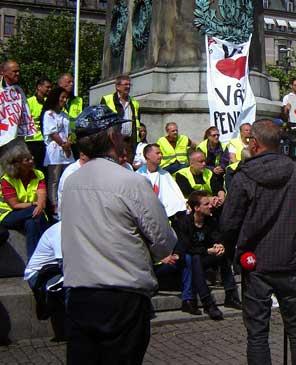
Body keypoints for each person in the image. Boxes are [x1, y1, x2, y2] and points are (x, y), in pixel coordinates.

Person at [61, 105, 176, 364]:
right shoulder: (130, 182)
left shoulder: (71, 182)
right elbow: (164, 241)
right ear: (112, 137)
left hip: (79, 293)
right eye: (122, 134)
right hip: (121, 297)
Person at [219, 119, 296, 365]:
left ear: (254, 143)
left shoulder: (244, 176)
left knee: (257, 332)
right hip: (289, 258)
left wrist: (231, 249)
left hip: (257, 261)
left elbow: (228, 223)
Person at [174, 191, 241, 320]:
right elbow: (186, 247)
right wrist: (207, 250)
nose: (210, 206)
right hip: (190, 260)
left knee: (223, 254)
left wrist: (219, 245)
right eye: (206, 204)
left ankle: (231, 295)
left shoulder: (210, 220)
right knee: (195, 258)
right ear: (196, 208)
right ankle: (208, 303)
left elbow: (217, 235)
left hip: (205, 257)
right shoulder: (183, 222)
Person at [0, 141, 49, 257]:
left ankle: (33, 262)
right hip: (9, 214)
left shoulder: (38, 174)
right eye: (27, 160)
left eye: (31, 158)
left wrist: (39, 205)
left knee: (31, 223)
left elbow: (42, 199)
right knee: (36, 215)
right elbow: (14, 205)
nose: (32, 161)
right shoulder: (7, 179)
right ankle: (47, 253)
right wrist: (34, 204)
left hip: (32, 212)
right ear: (17, 164)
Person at [40, 87, 75, 216]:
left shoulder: (65, 115)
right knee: (54, 178)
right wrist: (63, 144)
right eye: (62, 97)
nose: (64, 100)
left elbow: (70, 131)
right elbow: (52, 133)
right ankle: (54, 205)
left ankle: (66, 202)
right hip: (55, 150)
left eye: (66, 98)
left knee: (67, 176)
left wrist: (69, 142)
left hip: (67, 150)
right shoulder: (49, 114)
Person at [136, 144, 187, 219]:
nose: (161, 156)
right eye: (157, 153)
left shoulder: (165, 174)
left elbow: (176, 194)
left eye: (161, 153)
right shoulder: (138, 176)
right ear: (147, 155)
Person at [100, 74, 140, 154]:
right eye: (125, 84)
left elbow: (137, 120)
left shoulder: (134, 102)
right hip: (113, 141)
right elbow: (102, 121)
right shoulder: (107, 99)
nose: (128, 86)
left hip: (130, 142)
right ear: (118, 87)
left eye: (129, 84)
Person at [25, 78, 52, 171]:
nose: (49, 89)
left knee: (43, 169)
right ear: (39, 87)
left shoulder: (49, 103)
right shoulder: (29, 102)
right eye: (47, 87)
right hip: (32, 141)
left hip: (45, 141)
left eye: (50, 87)